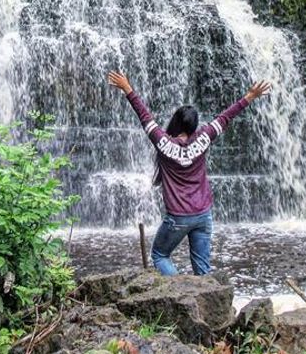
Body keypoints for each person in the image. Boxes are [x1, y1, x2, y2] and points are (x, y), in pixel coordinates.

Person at [106, 70, 272, 276]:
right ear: (194, 126)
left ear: (175, 123)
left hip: (178, 217)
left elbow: (144, 116)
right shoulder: (204, 138)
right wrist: (250, 96)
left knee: (159, 255)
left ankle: (181, 293)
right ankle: (207, 304)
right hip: (203, 214)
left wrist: (127, 89)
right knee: (203, 268)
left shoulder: (162, 142)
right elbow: (226, 117)